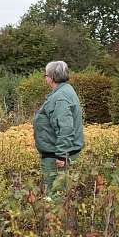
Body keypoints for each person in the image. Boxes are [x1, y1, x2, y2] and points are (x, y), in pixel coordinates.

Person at [33, 61, 84, 201]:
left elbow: (66, 128)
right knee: (60, 193)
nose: (45, 78)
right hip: (56, 151)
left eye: (46, 75)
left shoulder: (61, 97)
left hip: (57, 155)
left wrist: (62, 155)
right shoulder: (64, 91)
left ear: (52, 77)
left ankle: (54, 221)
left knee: (54, 195)